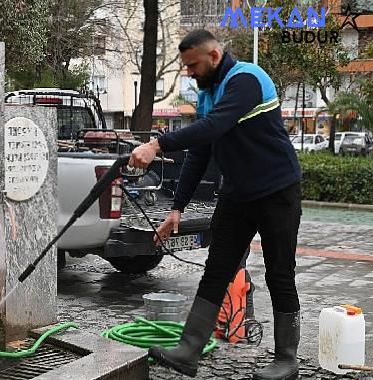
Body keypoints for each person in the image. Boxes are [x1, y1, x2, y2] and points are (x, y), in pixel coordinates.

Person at [129, 29, 302, 380]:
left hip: (277, 191)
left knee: (279, 273)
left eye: (192, 65)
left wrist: (157, 145)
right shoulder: (209, 96)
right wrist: (176, 207)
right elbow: (200, 151)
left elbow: (216, 127)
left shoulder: (248, 80)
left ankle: (287, 359)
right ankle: (188, 351)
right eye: (186, 66)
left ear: (214, 56)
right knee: (217, 270)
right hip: (238, 195)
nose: (188, 72)